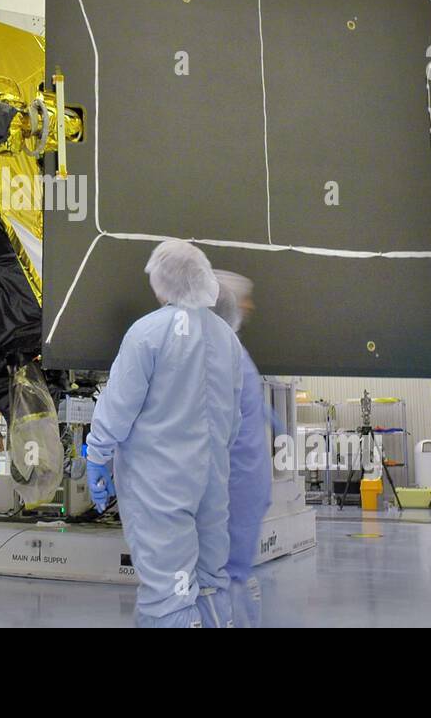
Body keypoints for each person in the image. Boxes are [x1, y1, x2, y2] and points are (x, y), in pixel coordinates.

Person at [85, 240, 244, 627]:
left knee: (170, 595)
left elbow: (118, 404)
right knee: (209, 583)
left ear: (164, 283)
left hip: (160, 487)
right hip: (211, 483)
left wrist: (97, 455)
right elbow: (233, 420)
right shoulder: (226, 338)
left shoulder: (147, 334)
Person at [212, 269, 273, 627]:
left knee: (221, 580)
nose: (249, 305)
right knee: (230, 580)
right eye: (242, 298)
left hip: (235, 488)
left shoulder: (222, 355)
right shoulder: (232, 355)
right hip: (243, 487)